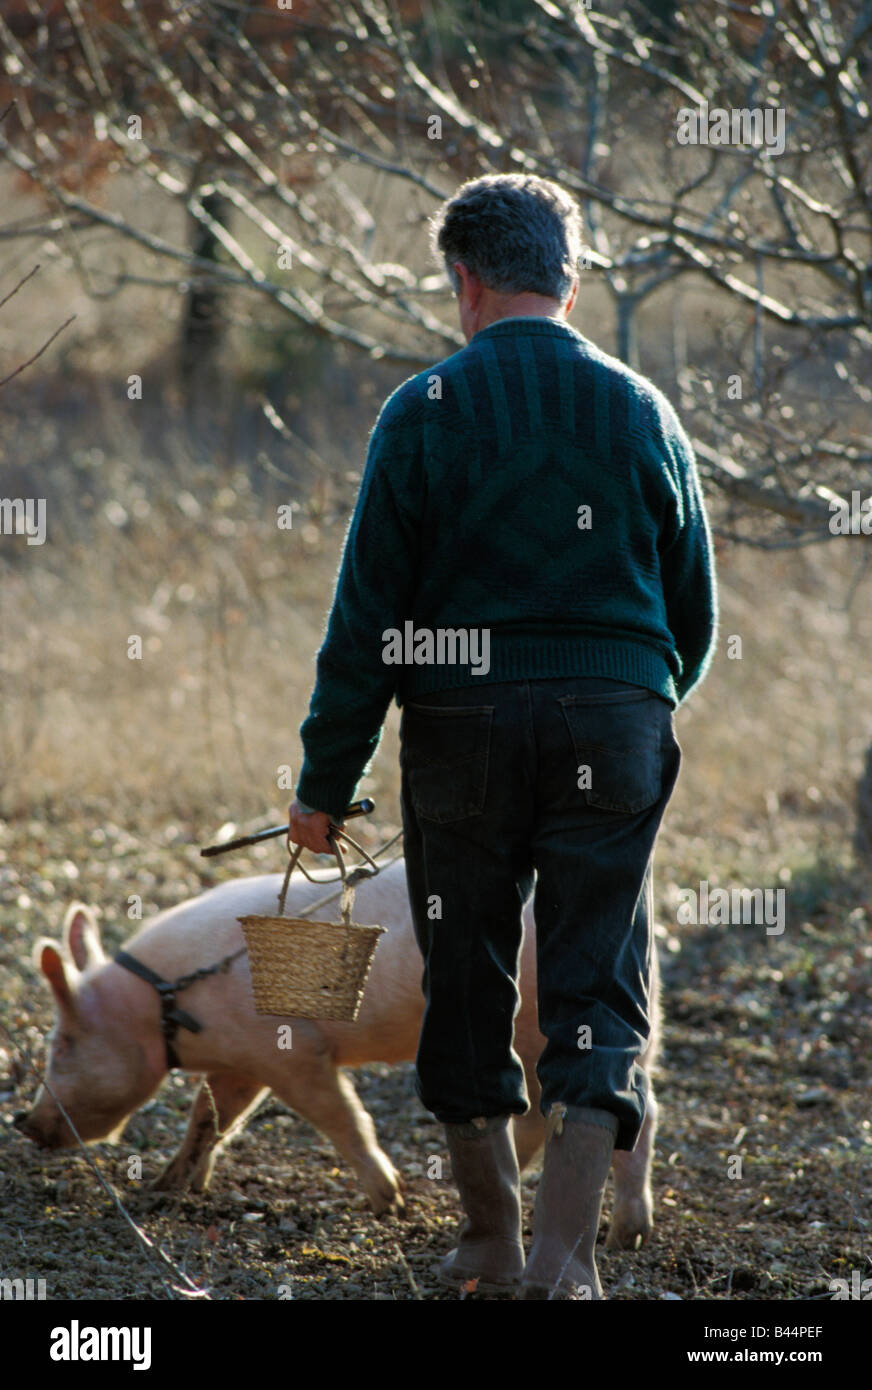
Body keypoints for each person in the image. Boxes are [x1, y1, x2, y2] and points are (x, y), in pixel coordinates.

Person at [287, 173, 718, 1299]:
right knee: (597, 973)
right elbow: (693, 612)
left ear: (463, 283)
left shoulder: (421, 409)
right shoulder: (643, 410)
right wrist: (636, 702)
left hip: (460, 726)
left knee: (467, 974)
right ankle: (564, 1260)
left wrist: (322, 784)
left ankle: (486, 1240)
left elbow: (364, 622)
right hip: (615, 721)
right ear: (568, 278)